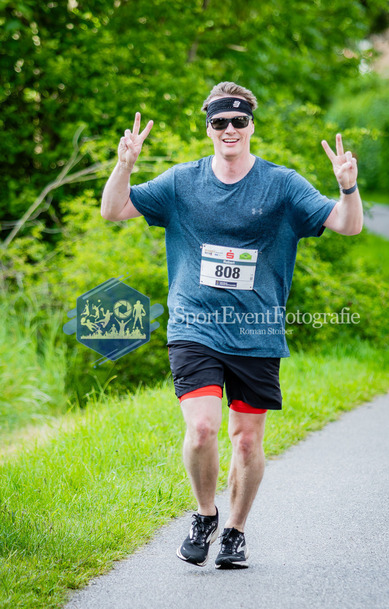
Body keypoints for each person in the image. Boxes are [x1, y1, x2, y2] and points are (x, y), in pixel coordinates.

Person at [101, 81, 363, 570]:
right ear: (208, 128)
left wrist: (348, 187)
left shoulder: (282, 184)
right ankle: (205, 516)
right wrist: (125, 166)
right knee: (202, 429)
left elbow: (349, 224)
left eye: (238, 121)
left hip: (256, 330)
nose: (229, 129)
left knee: (246, 439)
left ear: (251, 126)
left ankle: (236, 532)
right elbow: (113, 209)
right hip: (195, 324)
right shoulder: (181, 182)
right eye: (220, 122)